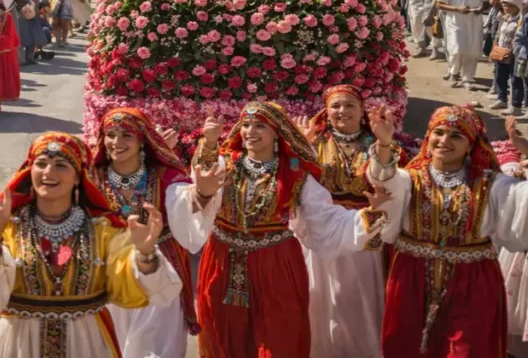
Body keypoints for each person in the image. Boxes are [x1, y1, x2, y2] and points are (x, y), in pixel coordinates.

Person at [191, 102, 393, 357]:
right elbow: (197, 194)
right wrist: (208, 149)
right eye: (246, 125)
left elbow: (325, 218)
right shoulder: (224, 164)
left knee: (277, 333)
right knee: (223, 330)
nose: (250, 132)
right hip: (222, 260)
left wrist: (367, 217)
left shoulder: (295, 174)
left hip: (276, 263)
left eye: (260, 126)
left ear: (277, 132)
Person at [0, 131, 182, 357]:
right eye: (41, 164)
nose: (48, 172)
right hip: (19, 343)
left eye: (61, 165)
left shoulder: (102, 230)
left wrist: (144, 252)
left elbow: (133, 283)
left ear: (77, 177)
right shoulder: (8, 226)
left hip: (84, 342)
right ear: (29, 171)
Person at [370, 106, 528, 357]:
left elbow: (523, 200)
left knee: (465, 348)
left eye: (456, 136)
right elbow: (384, 180)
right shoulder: (409, 178)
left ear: (471, 145)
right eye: (438, 132)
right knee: (406, 343)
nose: (444, 141)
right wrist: (384, 143)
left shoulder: (491, 184)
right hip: (412, 276)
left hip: (472, 280)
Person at [88, 108, 225, 358]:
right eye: (111, 134)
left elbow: (183, 203)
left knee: (155, 345)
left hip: (159, 270)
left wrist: (202, 194)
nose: (117, 143)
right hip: (105, 272)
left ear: (142, 140)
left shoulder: (165, 176)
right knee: (106, 344)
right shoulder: (90, 178)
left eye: (126, 135)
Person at [295, 86, 407, 358]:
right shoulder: (316, 142)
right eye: (335, 106)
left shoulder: (378, 140)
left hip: (364, 231)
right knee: (320, 296)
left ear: (361, 110)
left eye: (349, 106)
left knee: (359, 297)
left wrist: (382, 144)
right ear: (326, 111)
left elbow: (386, 178)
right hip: (322, 229)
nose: (341, 111)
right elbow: (297, 184)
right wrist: (300, 148)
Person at [436, 0, 493, 90]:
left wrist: (481, 9)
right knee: (457, 48)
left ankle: (467, 78)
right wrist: (457, 9)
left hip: (474, 20)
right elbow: (439, 4)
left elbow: (487, 1)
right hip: (455, 20)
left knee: (472, 50)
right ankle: (454, 73)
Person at [490, 0, 524, 116]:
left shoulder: (521, 20)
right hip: (501, 52)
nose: (506, 8)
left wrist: (513, 52)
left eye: (510, 5)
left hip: (514, 54)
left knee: (516, 80)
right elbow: (498, 33)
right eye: (505, 5)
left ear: (517, 6)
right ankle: (501, 99)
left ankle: (515, 105)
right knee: (499, 76)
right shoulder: (504, 18)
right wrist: (495, 46)